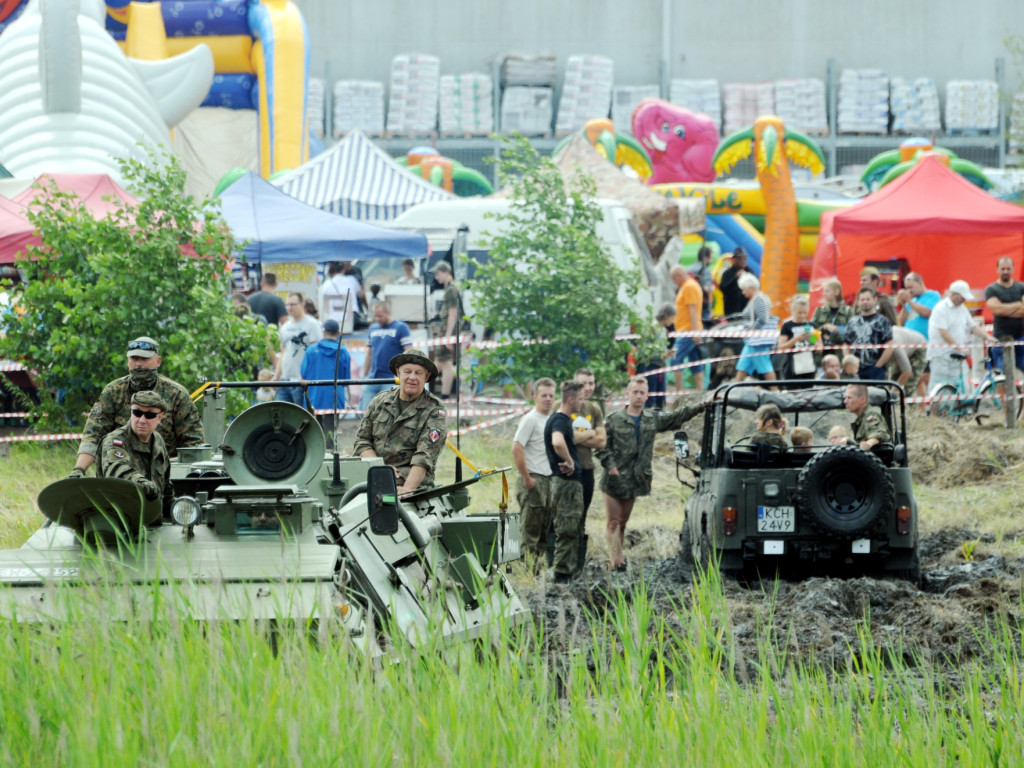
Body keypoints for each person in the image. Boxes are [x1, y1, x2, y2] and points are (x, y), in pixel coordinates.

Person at [599, 376, 706, 571]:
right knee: (613, 521)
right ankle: (616, 560)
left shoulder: (651, 418)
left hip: (635, 479)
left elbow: (677, 416)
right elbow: (601, 446)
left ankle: (618, 557)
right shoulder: (614, 420)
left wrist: (702, 405)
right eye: (635, 392)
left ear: (647, 396)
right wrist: (611, 466)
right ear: (628, 394)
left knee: (623, 521)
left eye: (642, 393)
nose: (638, 396)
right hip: (613, 479)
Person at [69, 336, 204, 477]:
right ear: (128, 361)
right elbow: (93, 435)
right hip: (119, 475)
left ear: (158, 361)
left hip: (163, 476)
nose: (139, 364)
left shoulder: (177, 395)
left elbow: (194, 444)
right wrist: (79, 469)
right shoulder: (113, 392)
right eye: (134, 359)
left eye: (144, 359)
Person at [353, 349, 446, 495]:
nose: (412, 377)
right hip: (373, 479)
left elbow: (425, 455)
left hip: (413, 485)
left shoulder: (434, 410)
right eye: (407, 371)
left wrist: (407, 489)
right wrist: (380, 467)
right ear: (398, 373)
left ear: (426, 376)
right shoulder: (380, 401)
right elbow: (362, 441)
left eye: (418, 373)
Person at [96, 390, 174, 513]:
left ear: (159, 417)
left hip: (153, 521)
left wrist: (176, 508)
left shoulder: (158, 441)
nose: (142, 420)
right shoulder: (115, 441)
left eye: (149, 415)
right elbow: (117, 471)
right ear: (131, 413)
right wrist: (142, 483)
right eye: (137, 413)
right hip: (121, 521)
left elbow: (166, 486)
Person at [544, 380, 586, 583]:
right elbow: (557, 442)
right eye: (580, 398)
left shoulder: (560, 419)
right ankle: (561, 574)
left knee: (570, 527)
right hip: (566, 482)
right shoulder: (560, 420)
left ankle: (565, 571)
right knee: (567, 527)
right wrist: (570, 462)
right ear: (571, 399)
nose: (582, 403)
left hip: (565, 483)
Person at [511, 377, 556, 561]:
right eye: (543, 395)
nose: (548, 399)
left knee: (545, 528)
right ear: (535, 396)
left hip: (549, 479)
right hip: (533, 478)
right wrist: (526, 477)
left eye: (551, 395)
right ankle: (526, 569)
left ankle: (537, 568)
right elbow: (517, 447)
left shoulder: (552, 419)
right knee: (530, 530)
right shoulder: (530, 419)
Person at [927, 280, 995, 387]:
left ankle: (960, 402)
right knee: (940, 385)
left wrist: (987, 336)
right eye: (962, 297)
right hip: (941, 355)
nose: (964, 300)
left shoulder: (962, 309)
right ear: (953, 294)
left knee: (962, 385)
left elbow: (973, 326)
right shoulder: (940, 309)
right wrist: (960, 348)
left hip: (957, 356)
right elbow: (943, 332)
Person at [300, 319, 351, 450]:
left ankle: (316, 456)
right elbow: (346, 379)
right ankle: (330, 457)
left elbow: (303, 374)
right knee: (330, 432)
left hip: (314, 396)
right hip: (334, 397)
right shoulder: (343, 351)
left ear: (324, 332)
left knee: (315, 431)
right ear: (338, 333)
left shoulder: (311, 350)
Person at [361, 300, 413, 411]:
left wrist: (405, 374)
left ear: (388, 312)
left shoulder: (401, 328)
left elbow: (409, 352)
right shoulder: (372, 328)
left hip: (391, 378)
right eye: (375, 316)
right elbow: (369, 354)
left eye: (380, 316)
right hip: (372, 378)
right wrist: (364, 376)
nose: (377, 319)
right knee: (365, 412)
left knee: (388, 412)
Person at [572, 368, 606, 525]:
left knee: (582, 518)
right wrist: (590, 433)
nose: (588, 387)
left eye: (591, 383)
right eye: (583, 383)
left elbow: (601, 442)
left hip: (587, 468)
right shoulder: (562, 405)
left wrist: (576, 436)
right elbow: (562, 439)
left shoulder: (594, 409)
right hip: (565, 469)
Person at [274, 292, 322, 405]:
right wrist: (277, 374)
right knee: (280, 414)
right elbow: (283, 352)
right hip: (285, 379)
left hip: (301, 380)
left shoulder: (312, 324)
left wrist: (309, 376)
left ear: (302, 304)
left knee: (300, 416)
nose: (289, 308)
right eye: (287, 305)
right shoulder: (285, 327)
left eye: (293, 304)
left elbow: (316, 354)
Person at [734, 273, 778, 384]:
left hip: (756, 340)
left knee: (765, 366)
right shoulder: (759, 298)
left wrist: (752, 329)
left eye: (744, 289)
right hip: (751, 341)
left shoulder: (758, 300)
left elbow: (763, 318)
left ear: (750, 288)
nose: (743, 293)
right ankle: (735, 386)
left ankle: (775, 389)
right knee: (743, 365)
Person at [984, 256, 1024, 376]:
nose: (1005, 271)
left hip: (1020, 338)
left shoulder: (1021, 287)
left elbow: (1002, 309)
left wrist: (1004, 309)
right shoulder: (991, 289)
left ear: (1013, 269)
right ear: (997, 269)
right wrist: (1018, 304)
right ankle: (1002, 395)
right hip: (1001, 339)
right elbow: (996, 310)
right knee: (1001, 376)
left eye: (1008, 268)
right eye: (1002, 269)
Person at [669, 264, 705, 394]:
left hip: (687, 331)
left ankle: (679, 392)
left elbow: (693, 310)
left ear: (679, 275)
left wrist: (694, 332)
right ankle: (700, 390)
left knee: (675, 359)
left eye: (674, 279)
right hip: (688, 330)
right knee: (694, 361)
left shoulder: (689, 287)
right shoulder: (689, 286)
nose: (674, 282)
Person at [433, 262, 467, 399]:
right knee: (442, 361)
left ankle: (445, 393)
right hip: (450, 329)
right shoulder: (451, 289)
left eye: (438, 274)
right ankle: (446, 392)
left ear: (446, 272)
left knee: (444, 361)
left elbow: (453, 313)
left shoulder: (451, 290)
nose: (436, 278)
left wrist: (448, 336)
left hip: (449, 329)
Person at [845, 287, 893, 380]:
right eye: (862, 299)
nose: (865, 302)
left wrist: (878, 365)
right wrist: (849, 361)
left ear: (875, 300)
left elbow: (889, 345)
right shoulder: (852, 322)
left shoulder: (882, 321)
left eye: (868, 299)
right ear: (858, 302)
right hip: (855, 369)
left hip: (875, 369)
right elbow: (846, 344)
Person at [777, 294, 818, 381]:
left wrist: (813, 339)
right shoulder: (787, 326)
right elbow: (781, 346)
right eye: (800, 313)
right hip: (793, 364)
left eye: (805, 313)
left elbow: (819, 347)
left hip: (809, 364)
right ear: (793, 310)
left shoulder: (812, 325)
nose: (802, 315)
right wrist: (795, 339)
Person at [810, 278, 853, 358]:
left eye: (827, 291)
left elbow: (852, 335)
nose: (824, 293)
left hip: (840, 357)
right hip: (820, 358)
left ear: (836, 292)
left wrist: (833, 334)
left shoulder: (848, 312)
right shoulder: (819, 311)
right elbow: (812, 338)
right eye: (823, 291)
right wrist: (824, 328)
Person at [843, 383, 891, 450]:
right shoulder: (861, 418)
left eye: (849, 398)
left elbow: (878, 432)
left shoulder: (871, 415)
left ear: (862, 399)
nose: (845, 401)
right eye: (845, 398)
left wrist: (869, 443)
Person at [320, 261, 362, 334]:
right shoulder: (352, 280)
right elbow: (361, 294)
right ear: (343, 268)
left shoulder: (326, 285)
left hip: (332, 322)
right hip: (350, 321)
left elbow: (325, 307)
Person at [888, 325, 928, 395]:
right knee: (892, 380)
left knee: (909, 385)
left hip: (918, 346)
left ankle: (912, 404)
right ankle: (922, 405)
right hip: (904, 344)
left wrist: (894, 392)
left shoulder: (896, 347)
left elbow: (907, 371)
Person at [688, 244, 716, 323]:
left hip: (689, 303)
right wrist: (713, 287)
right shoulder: (705, 270)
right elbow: (707, 288)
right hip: (703, 304)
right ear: (705, 258)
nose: (711, 260)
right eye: (710, 258)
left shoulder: (689, 269)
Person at [719, 247, 749, 317]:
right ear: (734, 259)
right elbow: (723, 288)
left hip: (746, 310)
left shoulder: (748, 271)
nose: (743, 261)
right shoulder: (728, 273)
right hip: (731, 310)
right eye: (740, 259)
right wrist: (735, 278)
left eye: (745, 259)